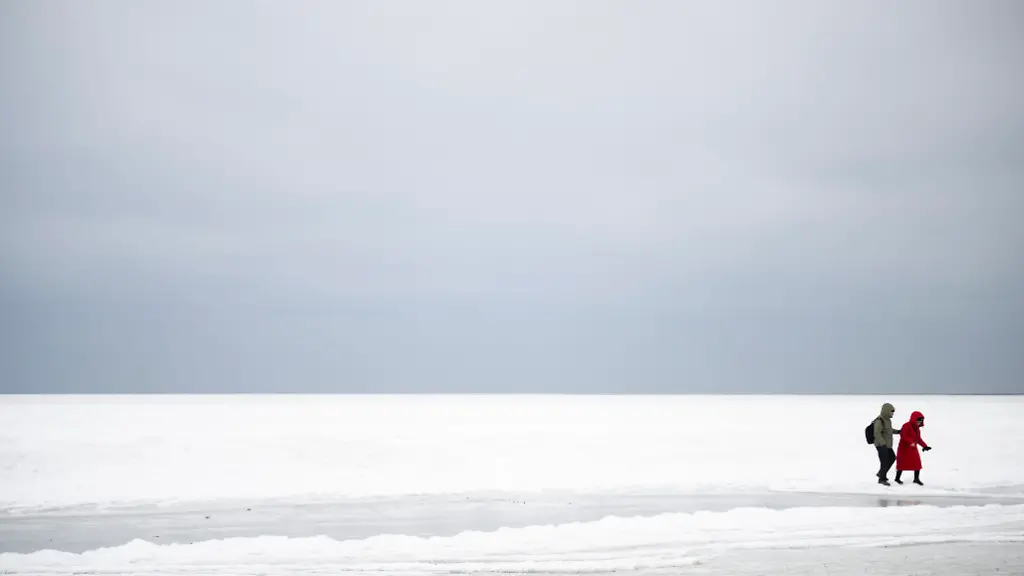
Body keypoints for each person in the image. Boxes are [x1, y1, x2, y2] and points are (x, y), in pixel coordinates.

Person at [895, 411, 931, 485]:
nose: (919, 422)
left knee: (917, 463)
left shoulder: (917, 429)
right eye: (918, 420)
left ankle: (916, 479)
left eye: (921, 420)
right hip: (904, 449)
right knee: (902, 464)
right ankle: (897, 478)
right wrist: (910, 441)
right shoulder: (906, 425)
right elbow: (903, 435)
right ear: (914, 419)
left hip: (913, 448)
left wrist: (925, 446)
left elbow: (918, 439)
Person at [873, 403, 898, 485]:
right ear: (887, 411)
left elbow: (889, 430)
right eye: (892, 411)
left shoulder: (887, 420)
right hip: (881, 445)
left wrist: (898, 431)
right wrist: (882, 444)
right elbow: (877, 433)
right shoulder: (879, 420)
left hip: (887, 445)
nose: (893, 413)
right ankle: (882, 479)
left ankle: (881, 473)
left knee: (892, 458)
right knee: (884, 461)